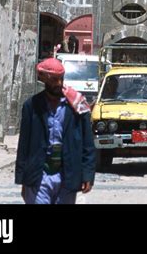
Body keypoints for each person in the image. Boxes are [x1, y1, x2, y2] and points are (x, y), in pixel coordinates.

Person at [15, 57, 96, 204]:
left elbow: (88, 143)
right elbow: (24, 144)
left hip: (67, 174)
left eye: (60, 79)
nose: (58, 83)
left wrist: (88, 175)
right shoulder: (32, 106)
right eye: (53, 80)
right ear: (44, 79)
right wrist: (23, 179)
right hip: (39, 175)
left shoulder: (77, 105)